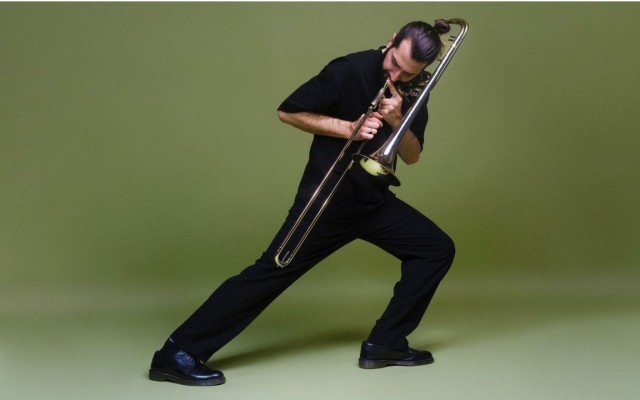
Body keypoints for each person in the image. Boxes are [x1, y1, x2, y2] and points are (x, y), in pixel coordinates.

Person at [149, 20, 456, 386]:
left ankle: (386, 343)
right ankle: (177, 353)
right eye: (394, 64)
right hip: (327, 202)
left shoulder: (416, 88)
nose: (396, 76)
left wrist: (397, 118)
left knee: (436, 249)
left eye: (408, 73)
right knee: (270, 273)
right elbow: (289, 111)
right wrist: (347, 128)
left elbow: (413, 156)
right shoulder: (349, 69)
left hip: (372, 201)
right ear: (391, 41)